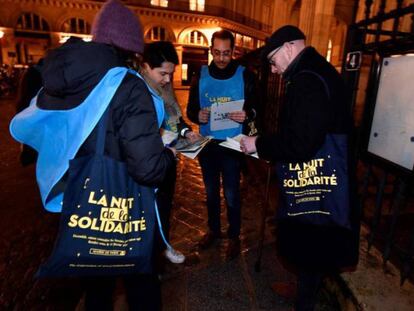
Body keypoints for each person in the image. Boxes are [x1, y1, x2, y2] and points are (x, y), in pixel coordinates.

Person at [11, 0, 175, 310]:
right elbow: (147, 168)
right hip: (121, 207)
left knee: (96, 288)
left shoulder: (62, 79)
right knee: (142, 284)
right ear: (131, 47)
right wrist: (167, 157)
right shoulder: (128, 86)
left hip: (82, 202)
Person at [240, 25, 359, 310]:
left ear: (290, 47)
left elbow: (301, 141)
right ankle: (303, 289)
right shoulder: (315, 70)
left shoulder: (307, 79)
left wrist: (260, 144)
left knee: (312, 244)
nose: (274, 69)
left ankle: (303, 302)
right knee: (312, 246)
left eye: (273, 60)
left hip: (317, 181)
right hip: (318, 174)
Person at [187, 30, 258, 259]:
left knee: (231, 193)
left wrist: (247, 114)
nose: (220, 58)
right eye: (216, 52)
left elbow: (258, 109)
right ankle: (214, 230)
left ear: (233, 51)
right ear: (211, 50)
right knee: (210, 192)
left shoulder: (246, 75)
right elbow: (190, 110)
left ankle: (234, 236)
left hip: (232, 143)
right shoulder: (201, 74)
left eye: (226, 53)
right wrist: (198, 115)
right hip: (207, 143)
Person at [140, 41, 199, 264]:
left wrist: (185, 131)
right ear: (145, 66)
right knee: (150, 208)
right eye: (163, 73)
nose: (167, 80)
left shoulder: (164, 85)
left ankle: (163, 244)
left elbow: (174, 116)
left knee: (165, 204)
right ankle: (149, 254)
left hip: (169, 156)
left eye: (170, 74)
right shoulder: (138, 90)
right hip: (152, 159)